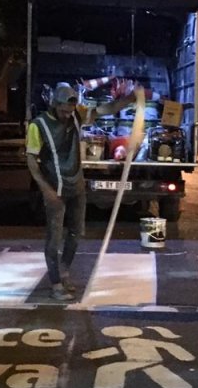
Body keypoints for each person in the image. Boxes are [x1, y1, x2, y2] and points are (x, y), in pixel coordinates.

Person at [26, 82, 140, 300]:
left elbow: (106, 109)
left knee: (76, 232)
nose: (67, 115)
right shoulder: (38, 125)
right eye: (63, 111)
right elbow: (31, 160)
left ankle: (64, 272)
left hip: (76, 185)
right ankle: (56, 284)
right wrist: (45, 189)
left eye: (70, 111)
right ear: (54, 104)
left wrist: (129, 99)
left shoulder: (76, 116)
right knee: (54, 237)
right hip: (55, 187)